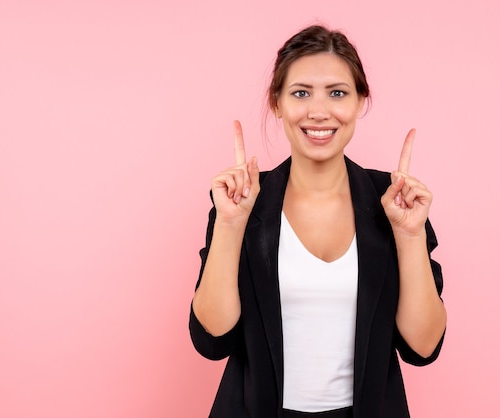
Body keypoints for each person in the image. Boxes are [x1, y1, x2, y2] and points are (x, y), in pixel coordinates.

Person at [189, 25, 446, 418]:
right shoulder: (242, 201)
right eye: (301, 92)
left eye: (338, 92)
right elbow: (213, 340)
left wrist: (409, 235)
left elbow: (423, 347)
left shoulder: (395, 202)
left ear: (361, 101)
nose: (319, 111)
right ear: (277, 102)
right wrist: (230, 224)